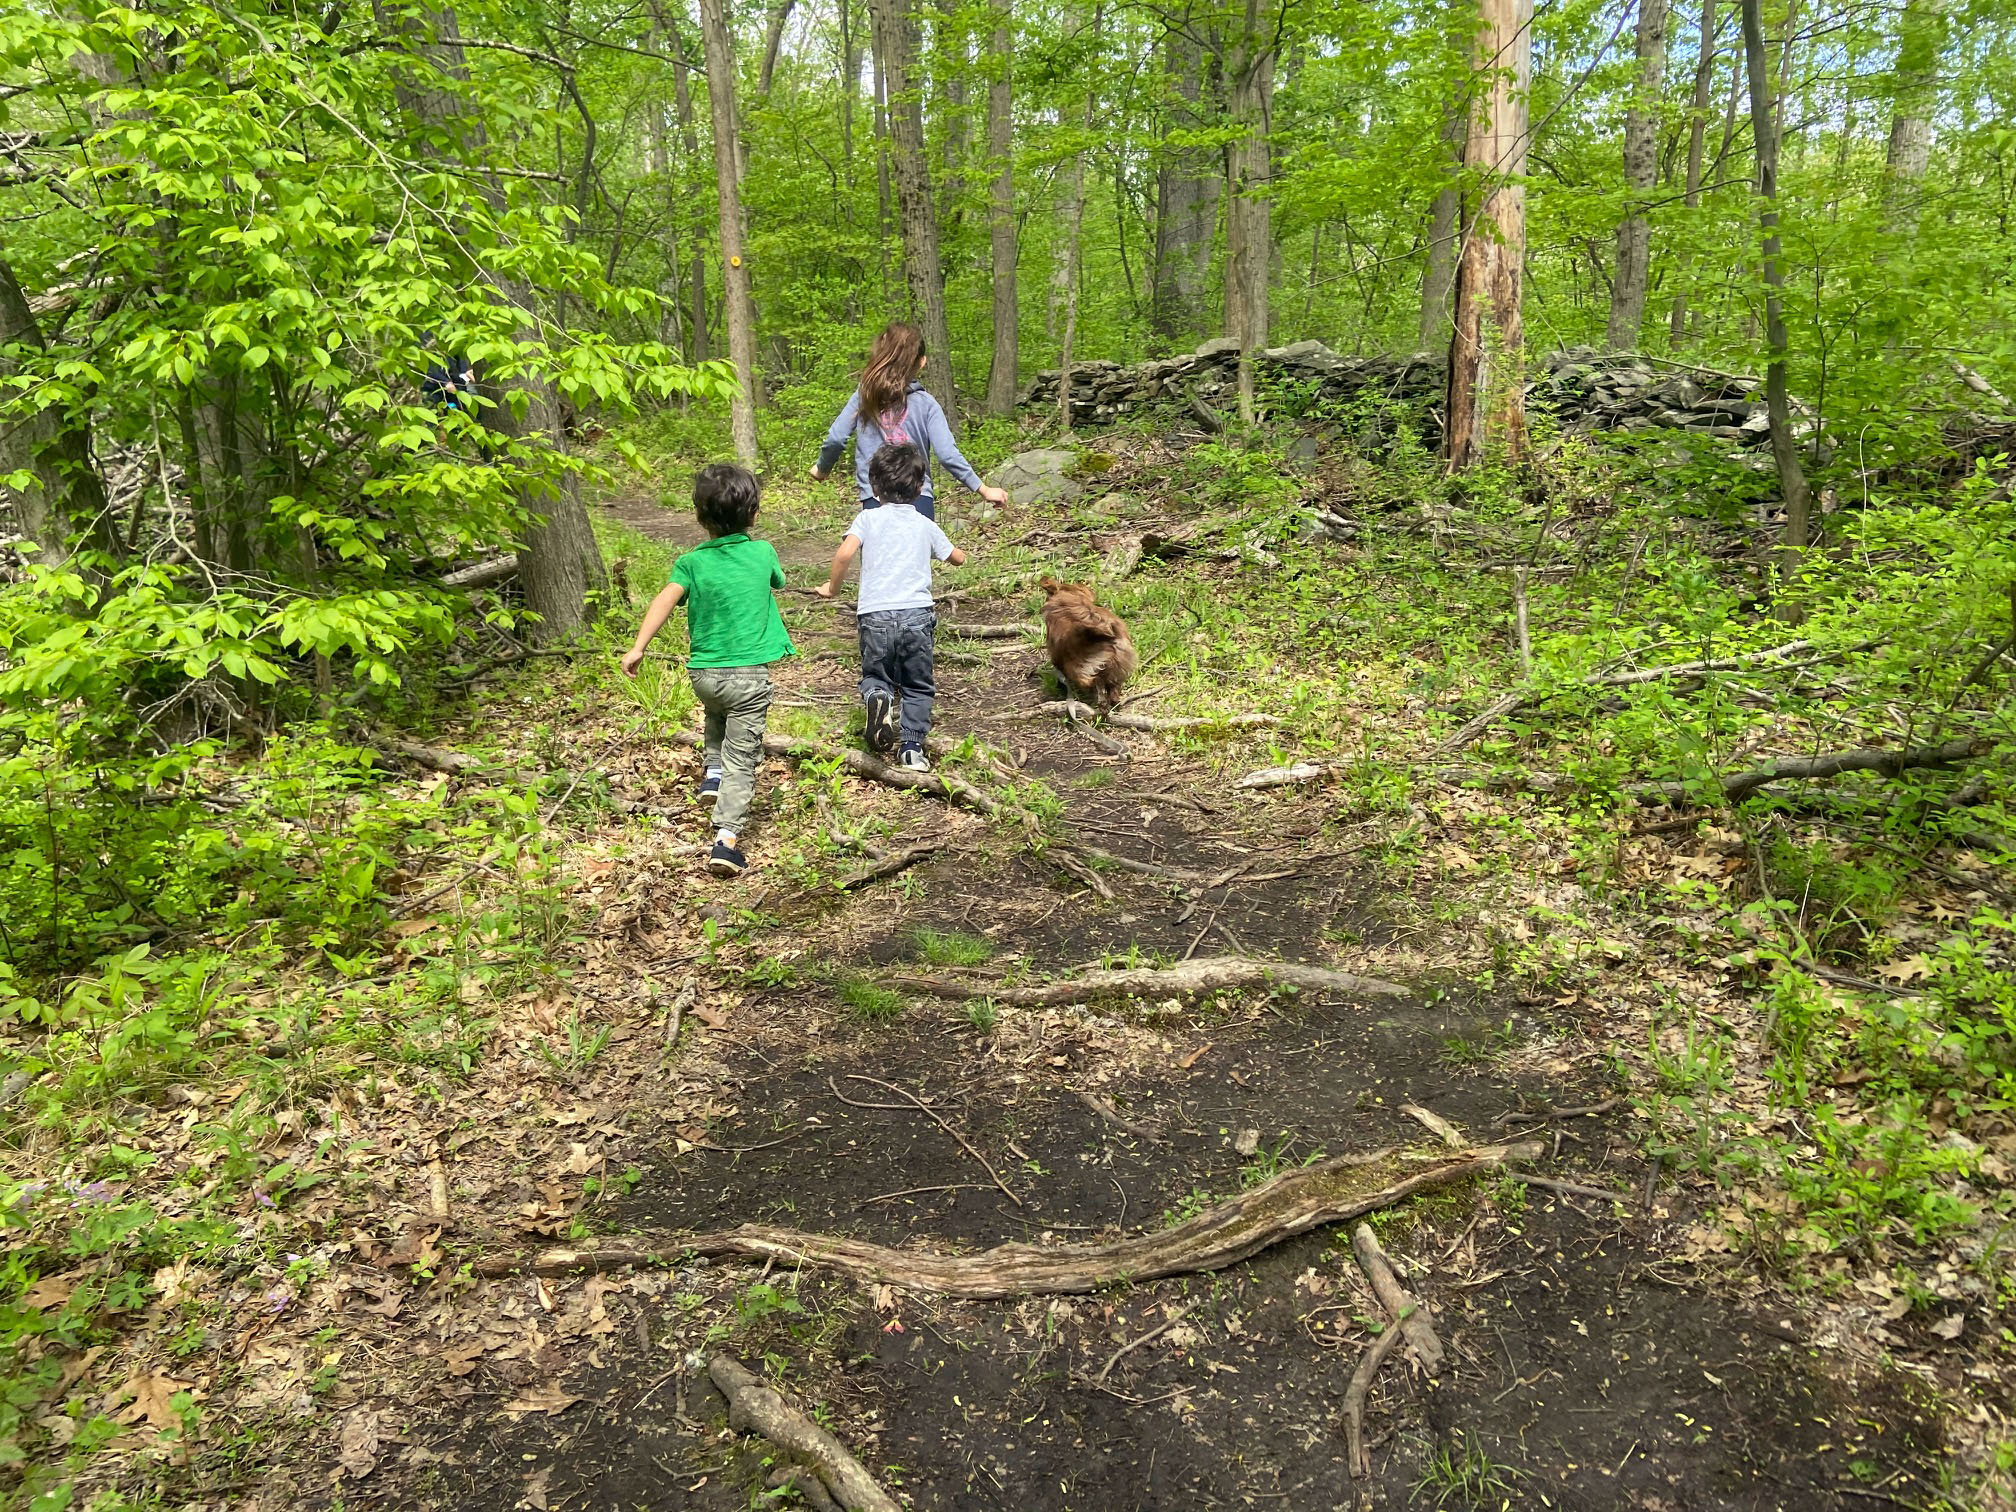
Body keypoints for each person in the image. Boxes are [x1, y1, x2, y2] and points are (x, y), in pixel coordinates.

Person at [622, 463, 794, 878]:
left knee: (716, 711)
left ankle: (712, 773)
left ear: (700, 516)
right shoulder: (762, 551)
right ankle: (726, 840)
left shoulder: (690, 563)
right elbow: (780, 581)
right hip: (749, 676)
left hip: (704, 674)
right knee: (744, 757)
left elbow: (665, 599)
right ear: (753, 513)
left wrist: (638, 646)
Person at [814, 444, 966, 772]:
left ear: (875, 487)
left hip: (875, 615)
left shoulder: (867, 518)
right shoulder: (924, 523)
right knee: (917, 684)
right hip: (916, 614)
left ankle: (876, 697)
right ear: (920, 487)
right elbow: (956, 557)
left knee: (875, 673)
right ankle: (912, 748)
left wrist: (832, 588)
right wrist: (957, 553)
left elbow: (843, 555)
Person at [812, 321, 1009, 523]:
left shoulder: (864, 396)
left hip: (876, 498)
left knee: (876, 555)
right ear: (922, 362)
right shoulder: (927, 404)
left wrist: (822, 468)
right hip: (918, 499)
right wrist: (983, 489)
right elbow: (947, 454)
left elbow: (836, 438)